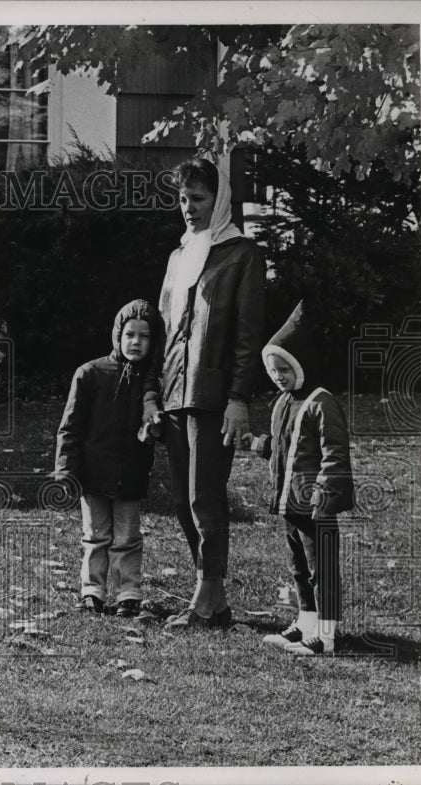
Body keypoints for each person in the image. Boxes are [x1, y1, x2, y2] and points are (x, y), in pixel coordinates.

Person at [143, 155, 266, 630]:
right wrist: (151, 394)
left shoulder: (242, 255)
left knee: (203, 497)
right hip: (174, 392)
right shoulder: (179, 256)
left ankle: (204, 600)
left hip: (213, 396)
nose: (188, 208)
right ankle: (213, 602)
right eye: (182, 199)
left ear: (219, 202)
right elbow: (163, 328)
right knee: (179, 501)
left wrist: (239, 398)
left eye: (198, 199)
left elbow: (247, 335)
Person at [242, 302, 355, 655]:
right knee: (299, 567)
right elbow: (282, 448)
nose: (278, 376)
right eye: (273, 370)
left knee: (323, 567)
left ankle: (326, 635)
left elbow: (334, 452)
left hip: (315, 504)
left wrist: (325, 493)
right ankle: (305, 623)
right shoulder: (283, 403)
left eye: (285, 369)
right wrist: (257, 444)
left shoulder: (322, 403)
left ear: (302, 364)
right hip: (290, 503)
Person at [55, 299, 165, 618]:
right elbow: (70, 427)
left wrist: (156, 427)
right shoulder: (90, 373)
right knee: (96, 535)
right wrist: (66, 469)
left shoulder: (153, 383)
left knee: (128, 536)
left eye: (144, 337)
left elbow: (161, 425)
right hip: (93, 474)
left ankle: (128, 593)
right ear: (118, 335)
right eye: (129, 334)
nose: (135, 342)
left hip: (131, 474)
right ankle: (93, 591)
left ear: (153, 341)